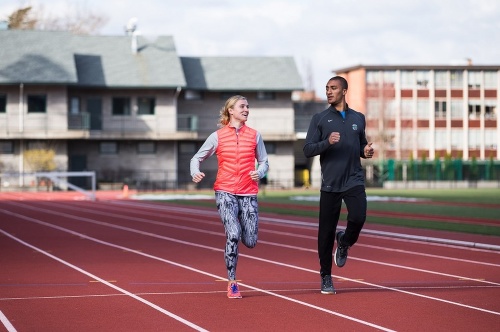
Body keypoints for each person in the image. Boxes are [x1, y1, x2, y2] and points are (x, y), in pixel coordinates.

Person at [190, 95, 269, 299]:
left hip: (248, 193)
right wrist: (194, 171)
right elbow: (196, 157)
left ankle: (242, 224)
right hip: (225, 191)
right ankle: (232, 282)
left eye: (248, 107)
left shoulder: (255, 135)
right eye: (242, 106)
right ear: (231, 111)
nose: (246, 109)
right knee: (233, 233)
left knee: (250, 241)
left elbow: (264, 162)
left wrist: (259, 172)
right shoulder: (217, 136)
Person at [303, 76, 374, 295]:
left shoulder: (358, 118)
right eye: (326, 88)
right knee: (325, 233)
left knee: (359, 217)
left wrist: (366, 151)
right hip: (330, 184)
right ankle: (326, 276)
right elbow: (307, 149)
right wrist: (327, 142)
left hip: (354, 179)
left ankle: (344, 241)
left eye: (333, 88)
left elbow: (361, 145)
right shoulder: (320, 118)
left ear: (344, 91)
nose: (329, 92)